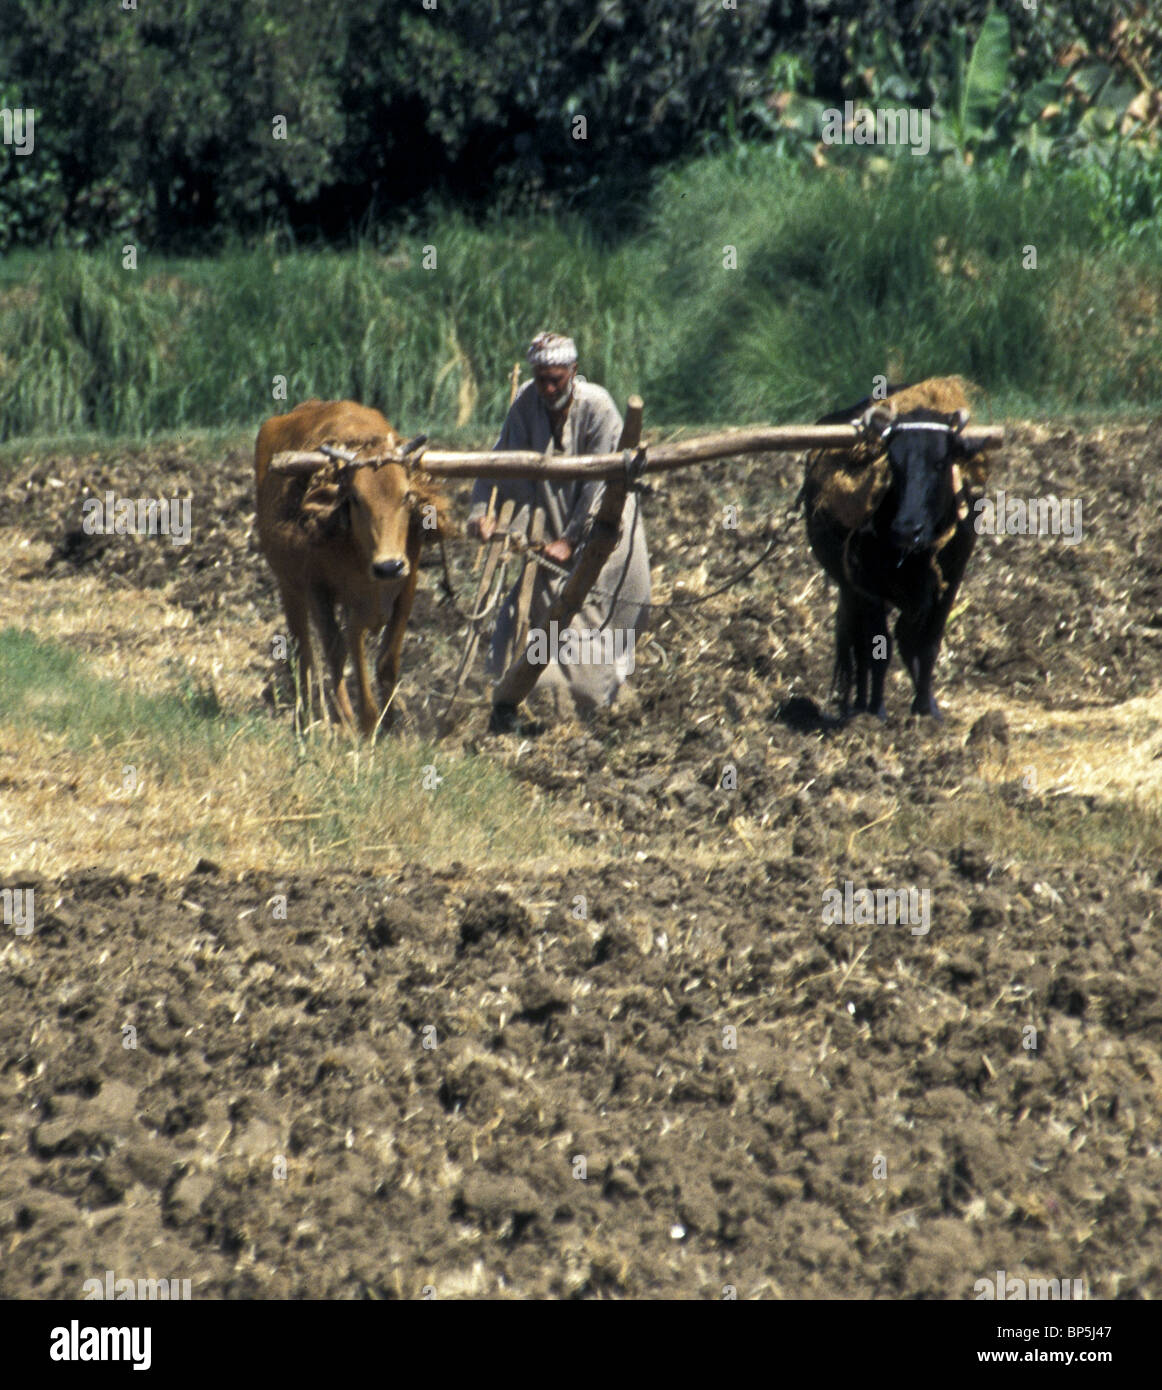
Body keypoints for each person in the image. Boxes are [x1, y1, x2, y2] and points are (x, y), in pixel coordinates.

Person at [466, 331, 651, 718]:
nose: (549, 388)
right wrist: (480, 512)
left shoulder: (598, 407)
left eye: (557, 379)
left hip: (606, 529)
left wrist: (571, 539)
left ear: (574, 371)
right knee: (528, 611)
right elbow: (497, 462)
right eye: (542, 378)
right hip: (549, 523)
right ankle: (513, 690)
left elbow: (602, 484)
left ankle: (590, 699)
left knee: (590, 616)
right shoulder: (525, 403)